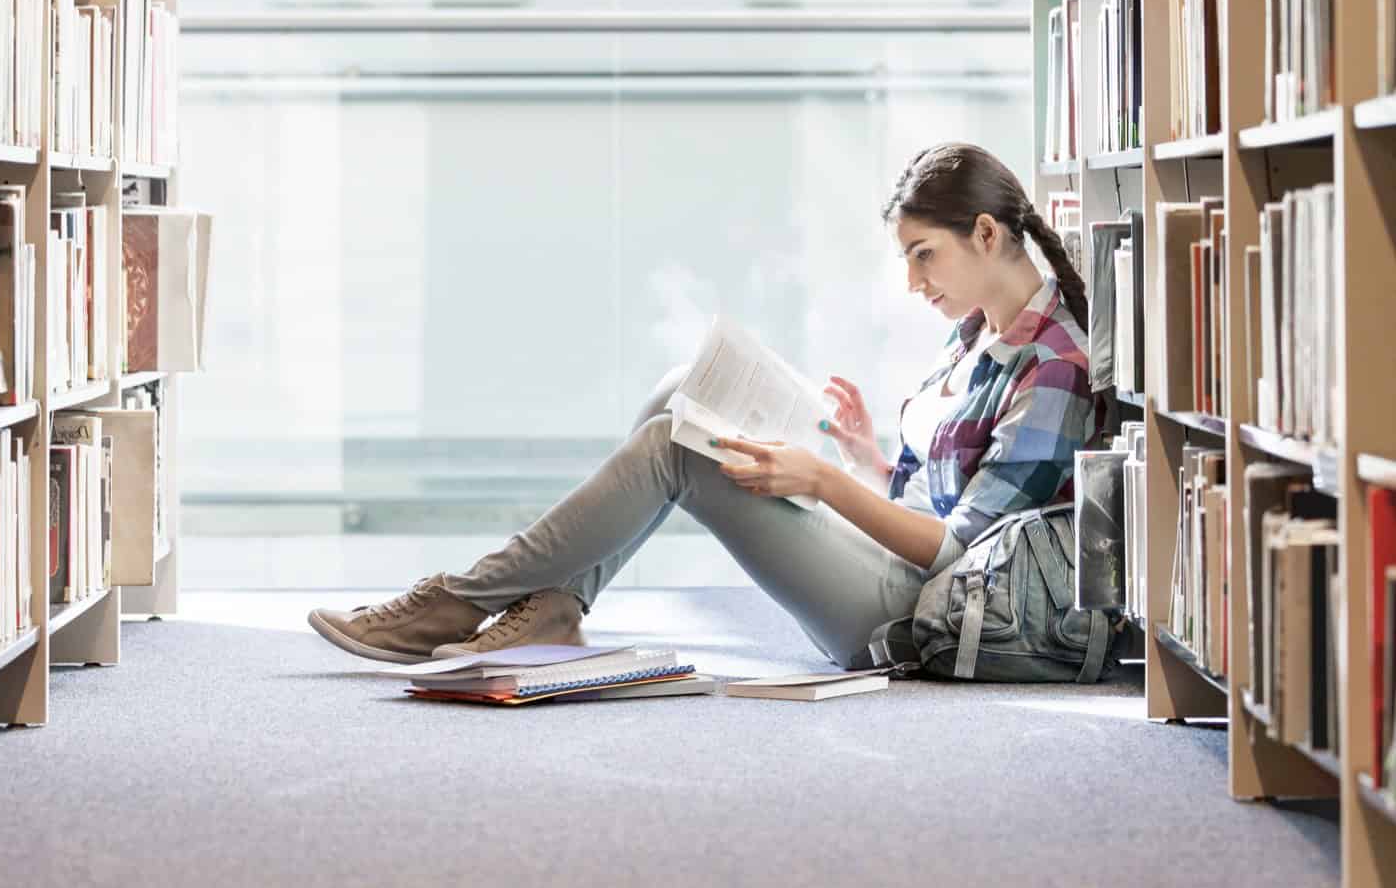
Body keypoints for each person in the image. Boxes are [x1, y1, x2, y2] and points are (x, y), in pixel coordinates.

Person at [308, 142, 1098, 671]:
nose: (912, 282)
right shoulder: (974, 330)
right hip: (891, 565)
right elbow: (958, 490)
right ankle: (555, 603)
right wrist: (871, 456)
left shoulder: (1055, 366)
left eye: (923, 255)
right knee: (678, 392)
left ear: (987, 234)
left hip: (912, 613)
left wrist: (823, 481)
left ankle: (458, 600)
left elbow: (959, 552)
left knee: (673, 449)